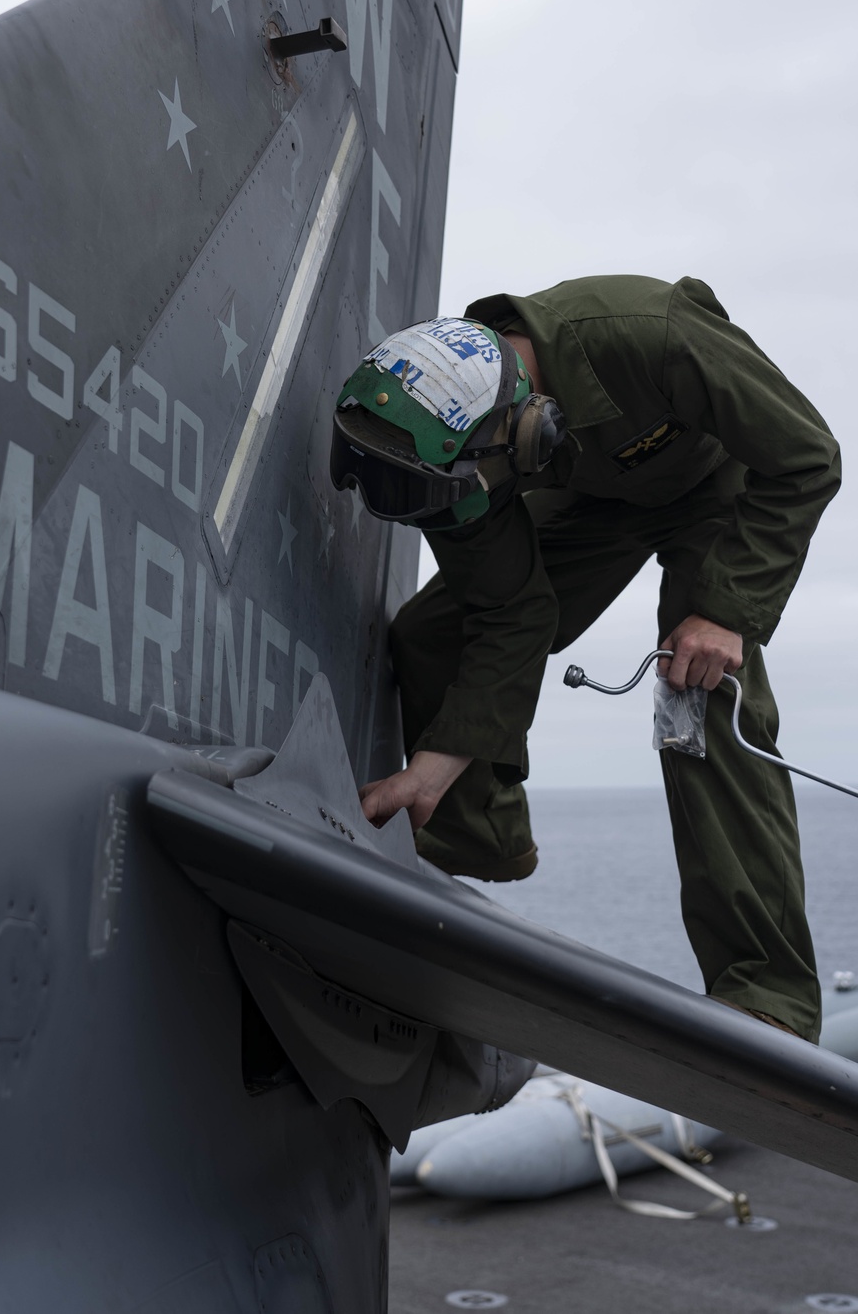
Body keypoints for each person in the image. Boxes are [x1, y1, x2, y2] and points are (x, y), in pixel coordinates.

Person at [329, 275, 841, 1042]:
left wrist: (726, 612)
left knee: (701, 696)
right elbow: (510, 610)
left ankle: (768, 993)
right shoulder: (444, 446)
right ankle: (474, 834)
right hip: (600, 492)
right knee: (435, 631)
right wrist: (436, 762)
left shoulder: (653, 337)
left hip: (722, 483)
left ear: (520, 427)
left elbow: (807, 455)